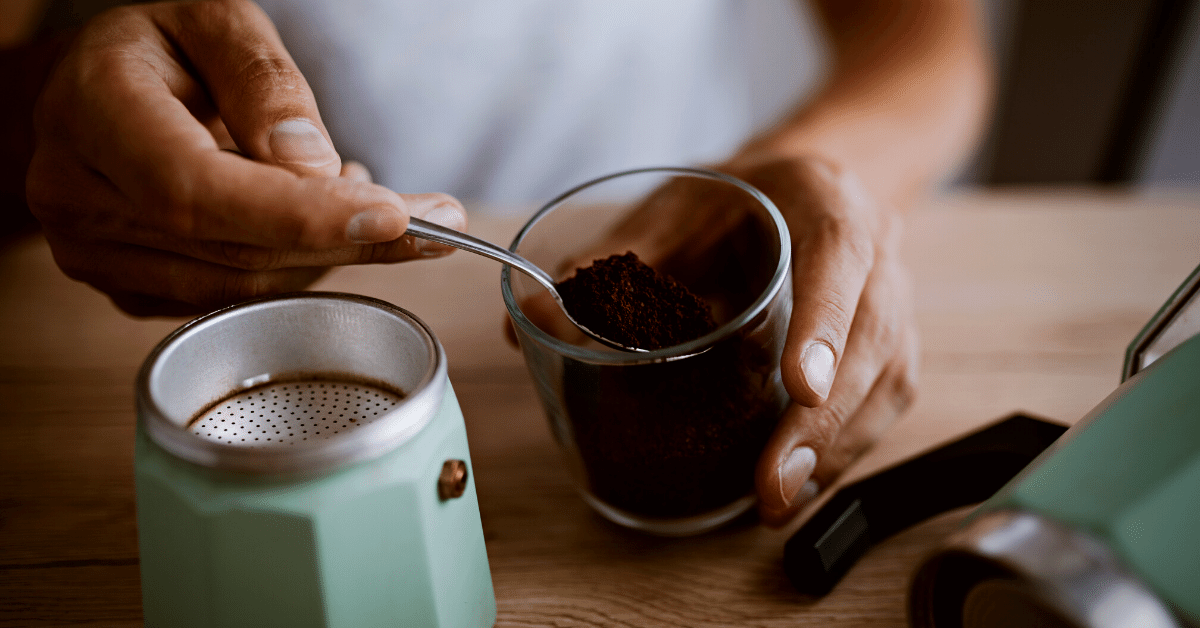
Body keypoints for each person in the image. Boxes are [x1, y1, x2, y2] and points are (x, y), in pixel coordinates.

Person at [0, 0, 992, 527]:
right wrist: (59, 108)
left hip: (737, 244)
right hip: (343, 344)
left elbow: (928, 35)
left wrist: (826, 171)